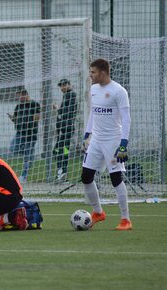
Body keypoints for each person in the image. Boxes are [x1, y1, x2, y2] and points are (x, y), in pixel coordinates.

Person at [82, 58, 132, 230]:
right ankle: (98, 212)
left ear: (103, 73)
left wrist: (123, 143)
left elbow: (126, 119)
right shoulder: (94, 89)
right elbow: (93, 113)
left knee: (116, 179)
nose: (90, 75)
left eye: (93, 72)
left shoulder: (119, 91)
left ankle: (125, 219)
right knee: (86, 177)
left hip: (113, 141)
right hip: (96, 139)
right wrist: (87, 134)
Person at [8, 89, 40, 183]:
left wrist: (33, 119)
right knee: (13, 148)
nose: (19, 98)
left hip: (30, 134)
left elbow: (37, 117)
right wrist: (12, 118)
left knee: (27, 157)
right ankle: (28, 153)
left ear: (25, 95)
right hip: (19, 132)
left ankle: (23, 176)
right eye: (18, 96)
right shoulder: (18, 106)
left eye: (20, 96)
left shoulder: (34, 104)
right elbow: (15, 118)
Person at [53, 79, 77, 182]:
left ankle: (61, 172)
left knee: (57, 150)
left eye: (64, 85)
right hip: (64, 128)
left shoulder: (70, 95)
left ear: (69, 85)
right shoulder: (68, 96)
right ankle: (63, 173)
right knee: (63, 150)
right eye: (61, 86)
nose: (62, 88)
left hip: (65, 128)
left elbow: (66, 112)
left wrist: (58, 109)